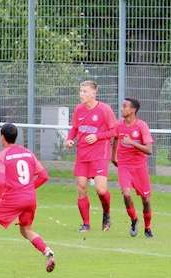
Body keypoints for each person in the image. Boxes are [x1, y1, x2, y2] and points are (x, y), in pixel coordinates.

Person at [0, 123, 56, 276]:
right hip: (30, 198)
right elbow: (44, 176)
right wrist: (28, 188)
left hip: (13, 199)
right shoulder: (28, 153)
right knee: (26, 230)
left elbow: (1, 182)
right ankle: (46, 250)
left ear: (2, 137)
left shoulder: (0, 157)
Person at [64, 80, 118, 232]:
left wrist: (97, 136)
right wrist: (69, 139)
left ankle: (106, 213)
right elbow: (75, 127)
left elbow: (114, 131)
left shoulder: (104, 110)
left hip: (100, 155)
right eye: (81, 91)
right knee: (81, 188)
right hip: (82, 154)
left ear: (94, 93)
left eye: (85, 92)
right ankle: (86, 224)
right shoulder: (79, 109)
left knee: (101, 190)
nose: (81, 94)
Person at [112, 97, 155, 238]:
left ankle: (147, 228)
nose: (121, 109)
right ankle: (133, 219)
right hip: (124, 165)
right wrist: (113, 156)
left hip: (139, 167)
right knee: (126, 193)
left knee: (146, 200)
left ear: (132, 110)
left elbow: (149, 150)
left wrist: (132, 142)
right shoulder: (119, 125)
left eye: (125, 106)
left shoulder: (141, 126)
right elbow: (115, 138)